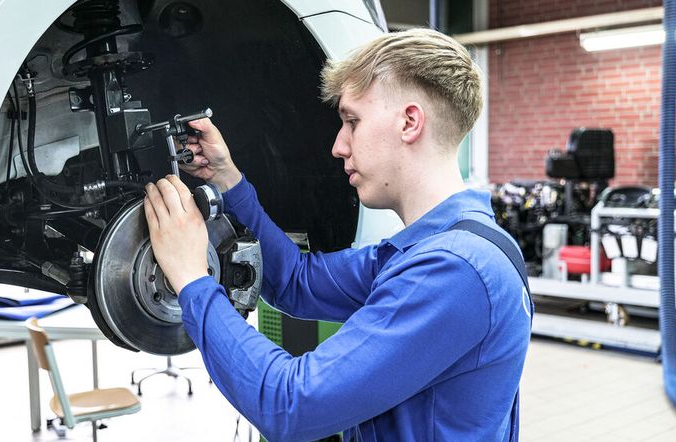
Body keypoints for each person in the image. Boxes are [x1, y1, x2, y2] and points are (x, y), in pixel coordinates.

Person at [143, 28, 532, 441]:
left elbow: (292, 404)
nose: (338, 145)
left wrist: (191, 279)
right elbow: (296, 281)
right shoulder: (434, 249)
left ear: (410, 122)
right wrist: (227, 179)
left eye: (352, 121)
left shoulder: (456, 270)